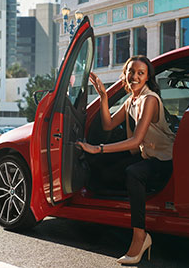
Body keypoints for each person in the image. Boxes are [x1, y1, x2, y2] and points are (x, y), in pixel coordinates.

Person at [77, 55, 175, 264]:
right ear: (125, 74)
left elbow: (135, 140)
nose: (135, 76)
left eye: (141, 73)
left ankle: (140, 236)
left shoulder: (149, 99)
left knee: (133, 173)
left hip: (165, 159)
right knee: (105, 172)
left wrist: (97, 149)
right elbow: (108, 125)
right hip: (147, 155)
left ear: (148, 78)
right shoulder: (131, 100)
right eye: (131, 72)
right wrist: (103, 97)